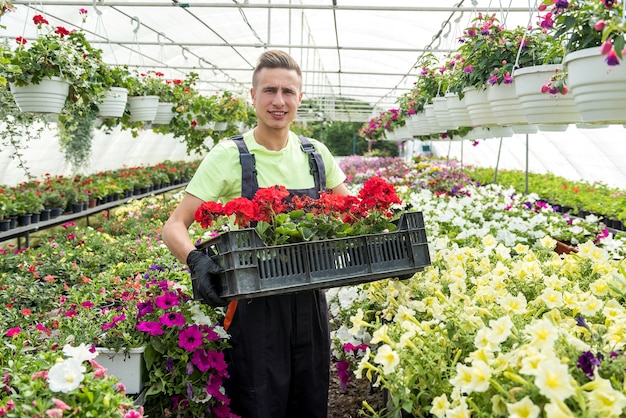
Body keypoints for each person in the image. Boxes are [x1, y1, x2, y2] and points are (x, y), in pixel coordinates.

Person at [162, 49, 350, 418]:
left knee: (310, 402)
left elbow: (354, 217)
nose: (278, 101)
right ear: (252, 95)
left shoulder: (316, 155)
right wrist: (197, 261)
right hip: (254, 304)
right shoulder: (230, 155)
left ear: (300, 98)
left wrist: (385, 243)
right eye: (269, 90)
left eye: (288, 92)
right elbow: (174, 226)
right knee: (258, 402)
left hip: (310, 300)